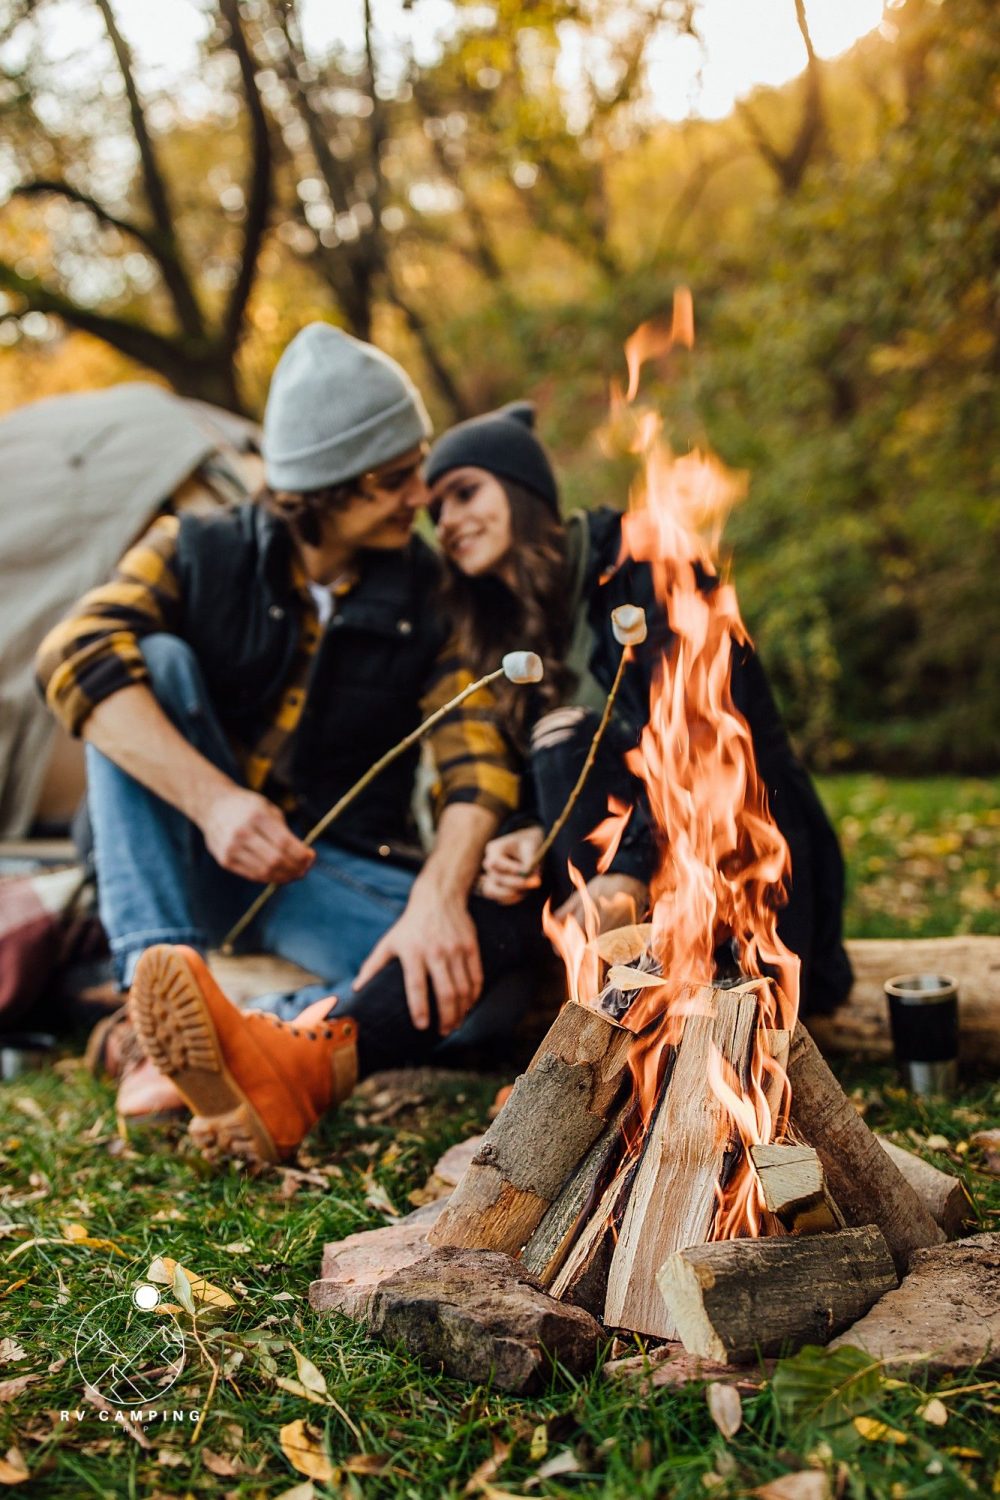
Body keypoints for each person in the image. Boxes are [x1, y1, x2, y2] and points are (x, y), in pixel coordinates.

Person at [35, 326, 544, 1163]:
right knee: (143, 664)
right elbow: (71, 654)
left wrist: (439, 898)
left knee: (483, 983)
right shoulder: (197, 549)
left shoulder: (431, 593)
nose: (418, 496)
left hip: (318, 871)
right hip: (180, 853)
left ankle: (253, 1036)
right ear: (321, 489)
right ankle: (151, 1000)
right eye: (392, 480)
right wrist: (216, 802)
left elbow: (473, 749)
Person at [424, 401, 853, 1017]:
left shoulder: (643, 563)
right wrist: (526, 832)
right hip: (617, 893)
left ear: (523, 491)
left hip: (750, 870)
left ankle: (662, 1010)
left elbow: (702, 739)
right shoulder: (515, 629)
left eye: (464, 493)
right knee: (472, 1007)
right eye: (435, 510)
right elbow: (567, 779)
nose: (446, 521)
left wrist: (628, 870)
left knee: (563, 734)